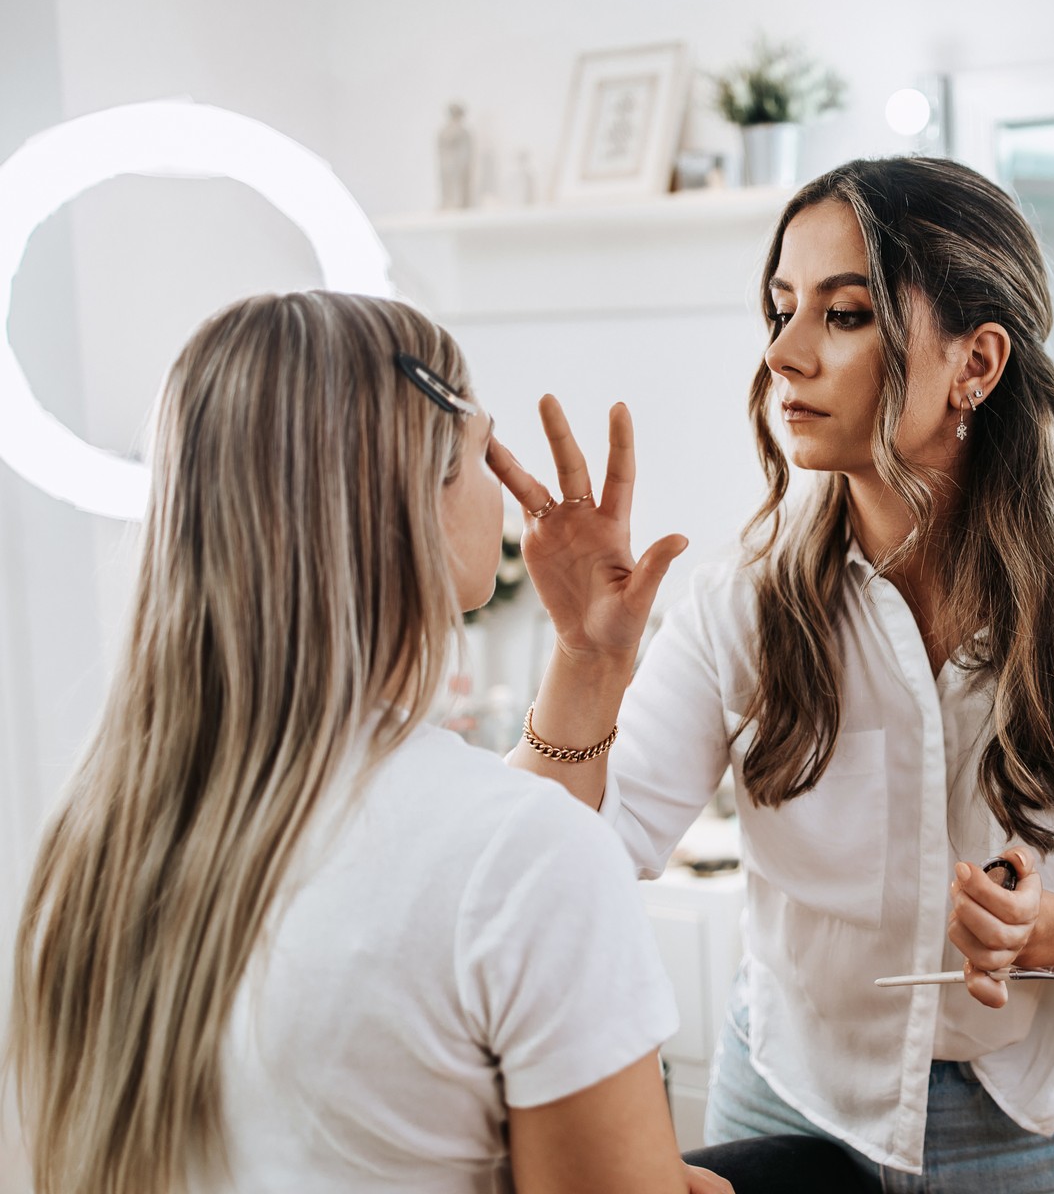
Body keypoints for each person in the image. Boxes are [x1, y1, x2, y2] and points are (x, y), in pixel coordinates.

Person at [496, 157, 1054, 1191]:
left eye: (843, 315)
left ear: (976, 363)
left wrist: (1046, 931)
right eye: (779, 308)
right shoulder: (745, 597)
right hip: (786, 1099)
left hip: (1026, 1126)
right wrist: (584, 660)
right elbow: (554, 867)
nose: (785, 352)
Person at [7, 292, 722, 1194]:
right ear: (411, 492)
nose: (508, 492)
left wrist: (588, 661)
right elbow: (496, 870)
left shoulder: (100, 834)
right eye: (480, 454)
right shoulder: (522, 860)